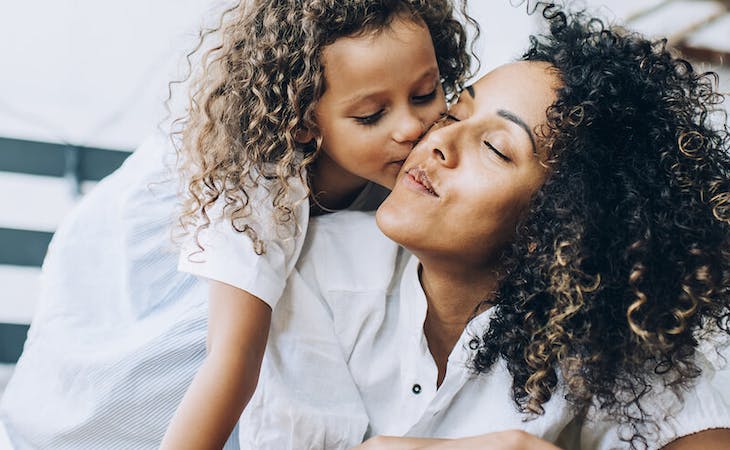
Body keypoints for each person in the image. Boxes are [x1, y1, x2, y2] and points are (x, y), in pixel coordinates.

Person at [233, 7, 730, 449]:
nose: (437, 142)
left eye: (494, 147)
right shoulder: (316, 264)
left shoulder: (602, 337)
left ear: (557, 223)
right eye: (452, 112)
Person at [0, 1, 472, 449]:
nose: (412, 126)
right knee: (116, 409)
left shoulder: (408, 169)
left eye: (426, 93)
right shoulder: (258, 178)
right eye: (372, 115)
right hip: (154, 311)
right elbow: (233, 359)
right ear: (304, 123)